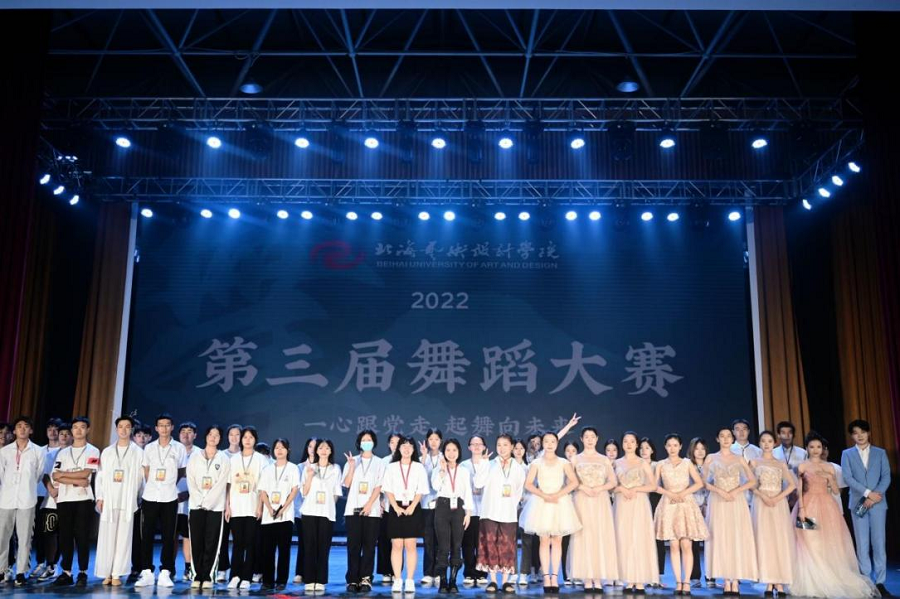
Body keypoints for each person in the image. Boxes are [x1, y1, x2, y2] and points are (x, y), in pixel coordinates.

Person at [793, 432, 878, 598]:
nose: (815, 450)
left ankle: (827, 578)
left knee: (828, 542)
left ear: (823, 449)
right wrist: (801, 509)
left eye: (818, 447)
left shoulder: (830, 467)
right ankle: (813, 579)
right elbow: (799, 490)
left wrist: (830, 478)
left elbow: (836, 491)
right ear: (807, 448)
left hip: (827, 507)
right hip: (807, 506)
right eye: (812, 447)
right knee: (808, 541)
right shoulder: (802, 466)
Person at [522, 432, 581, 594]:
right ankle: (546, 577)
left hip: (559, 502)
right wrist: (544, 495)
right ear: (542, 443)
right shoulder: (536, 463)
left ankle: (554, 577)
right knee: (543, 541)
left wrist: (558, 494)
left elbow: (574, 482)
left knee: (557, 540)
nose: (549, 444)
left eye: (552, 441)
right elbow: (528, 484)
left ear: (557, 443)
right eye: (546, 441)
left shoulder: (563, 462)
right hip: (542, 502)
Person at [135, 413, 188, 588]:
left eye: (167, 425)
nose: (164, 428)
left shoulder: (179, 448)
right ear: (156, 428)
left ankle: (166, 571)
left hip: (169, 497)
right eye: (161, 425)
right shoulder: (149, 448)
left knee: (168, 536)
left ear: (172, 427)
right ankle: (147, 572)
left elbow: (182, 470)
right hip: (150, 496)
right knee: (147, 536)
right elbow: (146, 470)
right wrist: (154, 483)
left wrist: (169, 483)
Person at [841, 419, 892, 597]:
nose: (860, 435)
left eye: (862, 432)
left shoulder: (880, 453)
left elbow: (886, 476)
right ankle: (867, 582)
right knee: (862, 543)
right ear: (852, 436)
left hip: (878, 503)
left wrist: (874, 496)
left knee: (879, 542)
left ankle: (880, 582)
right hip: (858, 502)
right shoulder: (847, 454)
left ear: (868, 433)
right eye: (855, 433)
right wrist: (867, 494)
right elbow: (847, 477)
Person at [704, 426, 758, 596]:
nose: (726, 439)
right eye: (722, 436)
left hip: (736, 501)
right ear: (717, 439)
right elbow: (703, 482)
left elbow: (752, 481)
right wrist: (719, 491)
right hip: (718, 501)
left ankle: (735, 580)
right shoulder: (711, 458)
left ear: (732, 439)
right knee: (721, 538)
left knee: (736, 538)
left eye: (728, 436)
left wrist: (736, 491)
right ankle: (726, 580)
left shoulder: (739, 459)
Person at [654, 434, 708, 597]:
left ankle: (687, 582)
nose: (672, 448)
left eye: (675, 445)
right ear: (665, 447)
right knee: (673, 545)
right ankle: (678, 581)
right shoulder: (661, 464)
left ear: (680, 446)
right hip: (669, 504)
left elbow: (699, 483)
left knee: (686, 544)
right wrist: (670, 493)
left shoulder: (687, 463)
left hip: (685, 504)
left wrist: (682, 493)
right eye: (669, 445)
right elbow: (655, 486)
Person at [473, 434, 527, 595]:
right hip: (489, 511)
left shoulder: (518, 468)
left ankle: (505, 581)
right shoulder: (489, 464)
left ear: (512, 447)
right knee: (490, 545)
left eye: (505, 445)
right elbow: (478, 483)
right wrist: (483, 464)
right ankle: (493, 580)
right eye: (499, 445)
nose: (502, 448)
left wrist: (510, 505)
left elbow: (518, 491)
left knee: (507, 547)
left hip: (508, 513)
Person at [95, 416, 144, 586]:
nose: (124, 430)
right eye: (121, 426)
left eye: (127, 426)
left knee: (124, 538)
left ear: (132, 429)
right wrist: (100, 497)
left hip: (127, 499)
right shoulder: (107, 452)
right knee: (107, 537)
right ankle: (106, 572)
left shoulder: (138, 452)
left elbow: (141, 478)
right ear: (116, 429)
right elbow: (100, 476)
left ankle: (117, 573)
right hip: (109, 499)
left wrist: (138, 497)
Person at [51, 416, 100, 587]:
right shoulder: (63, 453)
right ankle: (66, 572)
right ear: (72, 431)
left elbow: (86, 473)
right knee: (65, 536)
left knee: (82, 536)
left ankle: (83, 572)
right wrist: (77, 480)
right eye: (75, 427)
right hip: (64, 499)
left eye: (82, 427)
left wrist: (65, 475)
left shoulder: (93, 451)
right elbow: (55, 475)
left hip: (84, 499)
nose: (78, 430)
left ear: (88, 430)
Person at [568, 427, 618, 593]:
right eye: (586, 437)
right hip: (582, 499)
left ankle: (598, 577)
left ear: (597, 439)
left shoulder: (604, 459)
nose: (589, 439)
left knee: (599, 536)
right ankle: (586, 577)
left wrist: (600, 488)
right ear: (581, 439)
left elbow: (613, 481)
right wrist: (583, 487)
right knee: (583, 536)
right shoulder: (575, 459)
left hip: (600, 500)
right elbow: (569, 481)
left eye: (592, 436)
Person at [0, 416, 46, 587]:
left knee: (25, 537)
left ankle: (21, 571)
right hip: (6, 499)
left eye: (26, 426)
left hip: (27, 499)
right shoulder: (5, 451)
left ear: (31, 430)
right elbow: (1, 475)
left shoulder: (38, 451)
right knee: (2, 537)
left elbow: (39, 474)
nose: (22, 429)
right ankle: (2, 569)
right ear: (14, 431)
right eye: (19, 426)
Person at [749, 431, 795, 597]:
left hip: (778, 503)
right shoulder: (754, 462)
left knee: (778, 541)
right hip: (761, 503)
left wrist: (777, 498)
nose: (766, 444)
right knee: (765, 540)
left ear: (774, 443)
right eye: (763, 441)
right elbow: (750, 485)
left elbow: (792, 485)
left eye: (769, 441)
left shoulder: (780, 463)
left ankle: (779, 581)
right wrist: (763, 496)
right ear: (759, 443)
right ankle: (769, 581)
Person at [382, 436, 430, 595]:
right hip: (395, 507)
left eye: (410, 445)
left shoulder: (418, 467)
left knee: (410, 545)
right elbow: (387, 489)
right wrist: (395, 506)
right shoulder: (391, 467)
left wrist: (412, 506)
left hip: (413, 507)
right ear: (399, 448)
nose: (407, 448)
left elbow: (421, 490)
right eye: (403, 445)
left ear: (414, 449)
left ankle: (409, 579)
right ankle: (397, 579)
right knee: (396, 545)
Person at [186, 425, 231, 589]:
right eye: (210, 434)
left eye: (217, 435)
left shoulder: (224, 458)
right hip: (196, 505)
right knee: (196, 541)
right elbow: (191, 481)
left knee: (212, 542)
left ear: (220, 439)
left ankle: (208, 576)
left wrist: (208, 501)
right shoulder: (194, 457)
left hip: (215, 507)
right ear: (206, 436)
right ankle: (196, 575)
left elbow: (221, 484)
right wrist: (199, 499)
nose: (213, 437)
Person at [614, 431, 659, 593]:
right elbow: (611, 485)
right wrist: (621, 489)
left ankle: (640, 580)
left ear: (636, 444)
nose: (628, 444)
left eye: (632, 441)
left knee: (639, 538)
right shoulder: (616, 463)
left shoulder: (643, 463)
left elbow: (653, 486)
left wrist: (636, 489)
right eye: (625, 441)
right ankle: (628, 579)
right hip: (622, 503)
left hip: (639, 502)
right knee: (624, 538)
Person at [343, 430, 386, 593]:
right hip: (352, 509)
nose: (366, 442)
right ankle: (352, 579)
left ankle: (366, 578)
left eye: (369, 439)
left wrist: (369, 504)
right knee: (353, 546)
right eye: (363, 440)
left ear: (373, 442)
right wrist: (351, 467)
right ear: (359, 443)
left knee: (369, 546)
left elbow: (379, 486)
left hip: (372, 510)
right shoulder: (352, 461)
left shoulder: (380, 462)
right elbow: (346, 484)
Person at [430, 438, 475, 593]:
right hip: (442, 507)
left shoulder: (463, 471)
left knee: (457, 545)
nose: (451, 453)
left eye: (454, 450)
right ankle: (443, 581)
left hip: (459, 508)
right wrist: (442, 471)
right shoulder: (438, 469)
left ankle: (453, 581)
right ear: (444, 452)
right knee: (443, 546)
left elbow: (467, 492)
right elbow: (435, 486)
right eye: (448, 450)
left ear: (459, 452)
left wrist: (468, 513)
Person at [300, 438, 343, 593]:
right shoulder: (309, 467)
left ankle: (321, 580)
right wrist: (310, 476)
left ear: (331, 451)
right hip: (309, 511)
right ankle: (309, 579)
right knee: (310, 546)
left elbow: (337, 492)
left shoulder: (335, 468)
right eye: (321, 448)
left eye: (327, 448)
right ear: (316, 451)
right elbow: (304, 492)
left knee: (323, 547)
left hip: (327, 513)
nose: (324, 451)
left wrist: (329, 505)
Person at [226, 426, 266, 590]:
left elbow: (263, 486)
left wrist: (260, 506)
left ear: (255, 440)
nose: (247, 440)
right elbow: (228, 485)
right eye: (245, 437)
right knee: (237, 543)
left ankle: (247, 577)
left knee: (250, 544)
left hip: (252, 507)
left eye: (251, 437)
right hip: (236, 507)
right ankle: (235, 576)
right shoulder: (233, 459)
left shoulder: (260, 459)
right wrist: (227, 506)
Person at [259, 439, 300, 591]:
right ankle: (267, 581)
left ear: (288, 450)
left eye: (282, 447)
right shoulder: (267, 469)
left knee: (284, 550)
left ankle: (281, 580)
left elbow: (294, 491)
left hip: (285, 515)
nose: (279, 450)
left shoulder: (293, 468)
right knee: (267, 550)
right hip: (268, 515)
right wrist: (270, 508)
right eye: (277, 447)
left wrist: (282, 509)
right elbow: (262, 491)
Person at [37, 421, 71, 583]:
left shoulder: (77, 454)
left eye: (67, 434)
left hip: (70, 499)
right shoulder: (50, 455)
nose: (63, 436)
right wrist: (51, 489)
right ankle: (49, 565)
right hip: (51, 501)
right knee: (48, 532)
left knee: (65, 535)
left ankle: (62, 567)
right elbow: (45, 475)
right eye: (61, 433)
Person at [31, 417, 62, 580]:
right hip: (38, 494)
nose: (53, 432)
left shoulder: (64, 450)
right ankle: (40, 562)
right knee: (39, 532)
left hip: (55, 497)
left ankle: (52, 564)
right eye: (49, 428)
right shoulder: (39, 450)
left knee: (54, 532)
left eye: (56, 429)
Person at [459, 435, 490, 587]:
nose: (477, 446)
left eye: (480, 444)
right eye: (474, 444)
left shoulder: (490, 465)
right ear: (469, 447)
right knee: (468, 543)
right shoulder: (463, 466)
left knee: (483, 544)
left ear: (484, 447)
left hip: (485, 510)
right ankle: (469, 572)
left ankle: (482, 573)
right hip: (468, 511)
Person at [217, 424, 242, 583]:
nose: (234, 437)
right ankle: (222, 569)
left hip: (241, 502)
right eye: (231, 434)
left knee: (240, 539)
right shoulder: (221, 455)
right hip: (223, 502)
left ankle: (238, 570)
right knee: (223, 537)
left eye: (237, 434)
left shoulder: (246, 455)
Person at [640, 437, 667, 586]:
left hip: (656, 502)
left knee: (658, 539)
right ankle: (643, 573)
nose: (644, 450)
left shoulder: (658, 465)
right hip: (639, 502)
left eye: (647, 447)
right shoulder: (636, 464)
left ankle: (658, 575)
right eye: (641, 448)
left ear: (652, 450)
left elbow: (660, 485)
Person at [418, 429, 444, 587]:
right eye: (431, 439)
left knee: (441, 540)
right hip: (425, 504)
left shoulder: (445, 457)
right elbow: (417, 475)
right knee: (428, 540)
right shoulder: (422, 459)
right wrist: (423, 457)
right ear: (427, 441)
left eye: (436, 439)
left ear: (441, 441)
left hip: (442, 504)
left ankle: (439, 572)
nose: (433, 442)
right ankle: (428, 573)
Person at [686, 437, 712, 589]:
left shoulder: (712, 464)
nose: (700, 451)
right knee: (693, 543)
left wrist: (707, 503)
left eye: (703, 448)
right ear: (692, 450)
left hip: (710, 505)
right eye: (697, 448)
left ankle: (711, 575)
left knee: (711, 541)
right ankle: (694, 576)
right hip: (692, 505)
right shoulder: (687, 465)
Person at [176, 421, 200, 581]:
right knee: (170, 537)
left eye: (189, 431)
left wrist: (189, 493)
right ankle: (168, 568)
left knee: (187, 536)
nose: (186, 434)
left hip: (191, 503)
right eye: (183, 431)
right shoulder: (173, 450)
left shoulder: (200, 453)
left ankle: (188, 568)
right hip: (171, 500)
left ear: (195, 435)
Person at [377, 434, 401, 585]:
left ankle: (396, 571)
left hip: (402, 507)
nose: (395, 445)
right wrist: (380, 501)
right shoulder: (384, 461)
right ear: (388, 444)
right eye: (392, 442)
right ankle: (386, 570)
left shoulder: (406, 461)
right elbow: (379, 484)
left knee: (399, 541)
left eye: (398, 442)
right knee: (384, 539)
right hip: (386, 506)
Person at [512, 439, 536, 587]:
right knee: (511, 541)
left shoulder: (529, 468)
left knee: (527, 541)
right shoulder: (508, 467)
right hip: (511, 507)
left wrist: (525, 497)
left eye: (521, 448)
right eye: (516, 448)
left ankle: (524, 573)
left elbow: (533, 487)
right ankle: (513, 572)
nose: (519, 451)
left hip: (526, 506)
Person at [295, 437, 317, 584]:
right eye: (310, 446)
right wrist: (300, 511)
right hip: (302, 511)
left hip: (318, 511)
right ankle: (300, 572)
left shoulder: (324, 466)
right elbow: (298, 492)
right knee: (303, 542)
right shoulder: (300, 467)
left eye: (316, 446)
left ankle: (313, 572)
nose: (312, 449)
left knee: (316, 543)